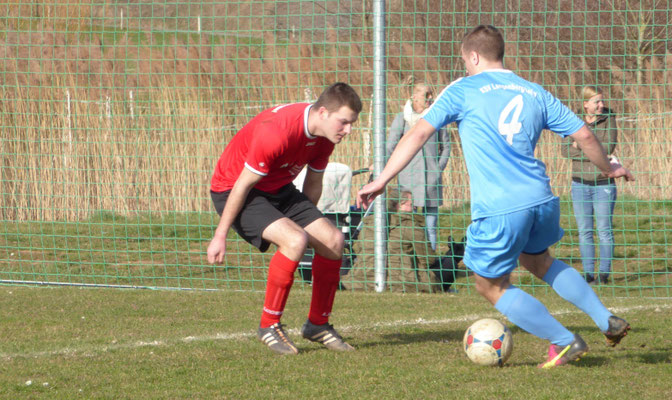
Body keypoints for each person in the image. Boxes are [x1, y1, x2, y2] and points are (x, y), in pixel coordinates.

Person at [357, 25, 634, 368]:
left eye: (465, 60)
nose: (465, 66)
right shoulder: (534, 91)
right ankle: (605, 318)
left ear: (473, 56)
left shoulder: (463, 88)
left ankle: (565, 341)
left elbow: (417, 134)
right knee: (539, 261)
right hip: (541, 199)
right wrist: (609, 169)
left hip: (502, 207)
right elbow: (586, 136)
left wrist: (382, 179)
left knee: (489, 285)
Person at [207, 82, 362, 355]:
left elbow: (313, 182)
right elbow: (243, 184)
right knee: (294, 240)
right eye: (344, 122)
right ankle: (268, 325)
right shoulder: (277, 133)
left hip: (278, 188)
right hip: (235, 189)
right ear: (323, 112)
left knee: (334, 240)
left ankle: (317, 324)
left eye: (352, 124)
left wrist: (310, 223)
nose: (348, 130)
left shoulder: (325, 136)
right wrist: (220, 235)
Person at [344, 187, 461, 293]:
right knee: (449, 263)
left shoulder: (368, 224)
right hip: (403, 282)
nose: (414, 207)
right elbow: (428, 260)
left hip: (364, 280)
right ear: (399, 205)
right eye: (411, 204)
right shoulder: (411, 225)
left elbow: (359, 252)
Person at [562, 86, 618, 285]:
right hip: (579, 184)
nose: (601, 105)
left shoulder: (609, 118)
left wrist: (580, 145)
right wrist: (594, 150)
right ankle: (588, 274)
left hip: (604, 183)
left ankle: (603, 275)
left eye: (602, 101)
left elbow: (608, 147)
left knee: (604, 230)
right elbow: (565, 151)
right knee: (584, 231)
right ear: (586, 104)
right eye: (597, 102)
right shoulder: (572, 120)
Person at [386, 81, 451, 251]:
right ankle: (411, 260)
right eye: (426, 94)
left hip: (431, 180)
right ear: (414, 96)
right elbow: (390, 146)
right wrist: (389, 168)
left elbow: (446, 147)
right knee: (409, 225)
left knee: (431, 226)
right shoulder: (402, 119)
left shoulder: (437, 118)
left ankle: (431, 262)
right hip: (407, 180)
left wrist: (438, 168)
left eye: (431, 94)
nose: (430, 98)